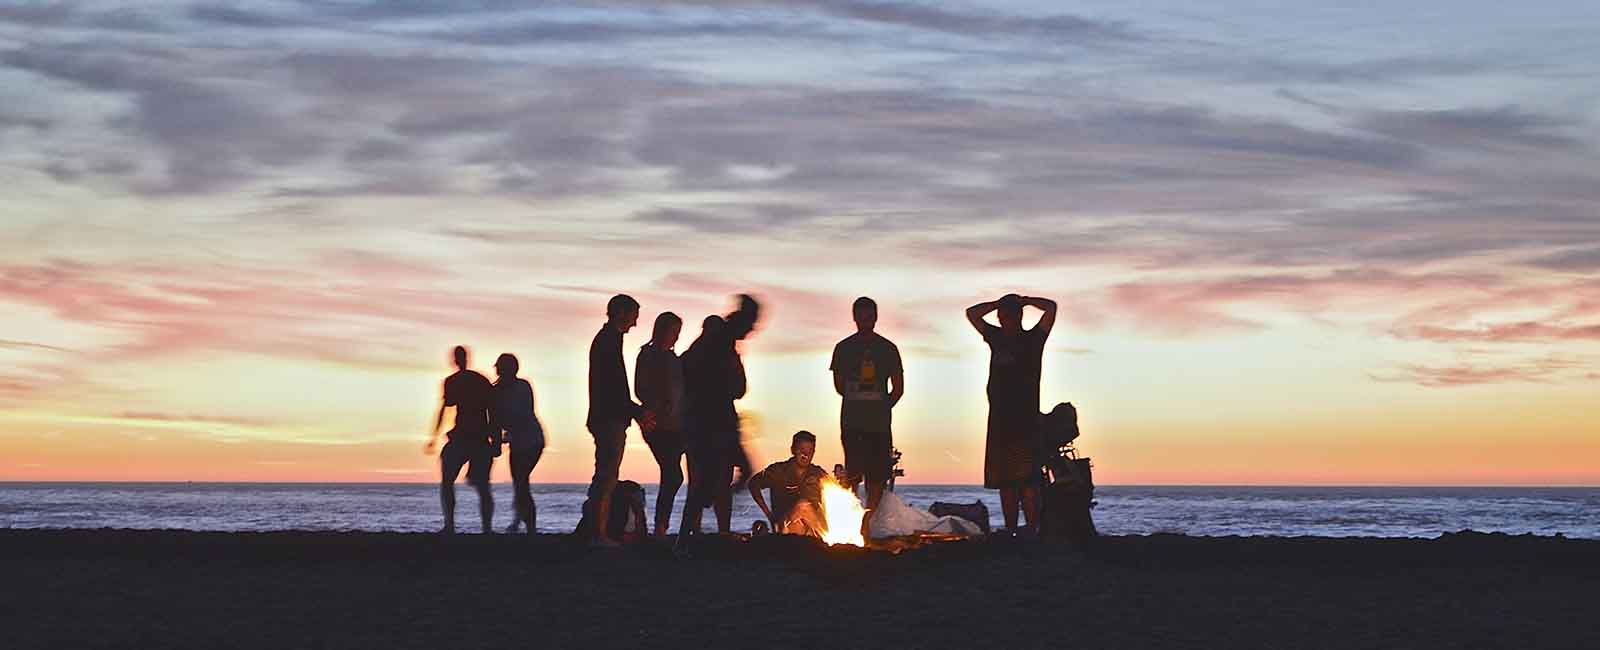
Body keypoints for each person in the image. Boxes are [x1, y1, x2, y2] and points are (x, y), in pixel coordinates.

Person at [965, 293, 1057, 533]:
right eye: (1002, 315)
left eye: (1008, 314)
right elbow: (972, 313)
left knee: (1028, 480)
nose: (1004, 319)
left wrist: (1025, 300)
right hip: (1000, 420)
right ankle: (1012, 529)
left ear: (1019, 316)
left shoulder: (1033, 339)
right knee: (1005, 481)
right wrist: (998, 303)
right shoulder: (995, 337)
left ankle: (1032, 528)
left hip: (1026, 419)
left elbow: (1051, 308)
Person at [677, 295, 761, 547]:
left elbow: (735, 387)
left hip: (712, 421)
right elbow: (735, 387)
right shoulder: (719, 341)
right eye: (752, 324)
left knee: (720, 477)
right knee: (711, 479)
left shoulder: (720, 342)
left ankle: (693, 531)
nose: (753, 330)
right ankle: (685, 538)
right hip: (710, 422)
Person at [584, 294, 653, 548]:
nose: (634, 324)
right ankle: (598, 535)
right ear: (621, 313)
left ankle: (594, 530)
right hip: (608, 418)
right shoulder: (608, 341)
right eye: (633, 317)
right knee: (607, 476)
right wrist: (635, 411)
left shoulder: (609, 340)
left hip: (608, 416)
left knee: (605, 475)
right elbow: (614, 387)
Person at [829, 296, 904, 512]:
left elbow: (898, 389)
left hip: (877, 423)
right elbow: (839, 386)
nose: (865, 320)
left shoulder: (888, 348)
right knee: (853, 471)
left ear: (876, 317)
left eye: (869, 316)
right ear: (854, 317)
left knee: (877, 473)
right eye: (861, 316)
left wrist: (880, 407)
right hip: (852, 420)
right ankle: (855, 517)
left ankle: (868, 519)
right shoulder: (843, 348)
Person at [425, 345, 498, 535]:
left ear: (456, 360)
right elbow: (493, 411)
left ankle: (454, 526)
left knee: (459, 483)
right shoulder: (479, 380)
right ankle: (479, 528)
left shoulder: (456, 381)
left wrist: (434, 436)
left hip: (471, 438)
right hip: (472, 438)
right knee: (476, 485)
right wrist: (495, 438)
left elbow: (491, 410)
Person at [635, 311, 686, 537]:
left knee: (674, 474)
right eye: (672, 331)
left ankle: (664, 526)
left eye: (677, 333)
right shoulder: (648, 354)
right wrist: (656, 406)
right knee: (673, 474)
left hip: (678, 424)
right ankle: (660, 527)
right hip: (657, 424)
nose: (675, 337)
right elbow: (640, 388)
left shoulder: (675, 360)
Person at [491, 353, 544, 535]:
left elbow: (520, 414)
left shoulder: (521, 386)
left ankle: (528, 526)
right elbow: (497, 420)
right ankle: (521, 522)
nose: (496, 370)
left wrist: (499, 440)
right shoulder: (498, 391)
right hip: (520, 441)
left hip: (531, 441)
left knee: (521, 483)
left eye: (499, 367)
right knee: (520, 483)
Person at [747, 431, 829, 538]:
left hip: (812, 529)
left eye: (810, 452)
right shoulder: (778, 471)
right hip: (786, 527)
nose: (806, 455)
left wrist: (842, 479)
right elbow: (753, 483)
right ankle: (827, 538)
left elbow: (838, 491)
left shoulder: (818, 473)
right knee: (803, 506)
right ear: (793, 450)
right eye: (802, 451)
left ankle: (827, 538)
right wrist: (769, 515)